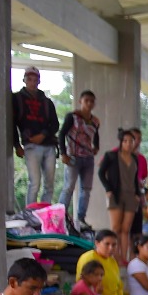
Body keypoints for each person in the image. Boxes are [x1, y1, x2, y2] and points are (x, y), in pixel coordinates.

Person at [12, 67, 60, 208]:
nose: (32, 82)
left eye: (35, 80)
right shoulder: (17, 99)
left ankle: (45, 213)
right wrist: (17, 145)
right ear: (24, 80)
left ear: (39, 81)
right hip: (31, 146)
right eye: (29, 79)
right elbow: (12, 123)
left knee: (49, 184)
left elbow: (55, 124)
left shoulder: (47, 102)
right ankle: (30, 215)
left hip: (49, 145)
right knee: (35, 183)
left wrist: (43, 135)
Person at [57, 90, 100, 233]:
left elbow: (96, 135)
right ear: (80, 101)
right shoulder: (73, 117)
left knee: (86, 189)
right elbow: (62, 133)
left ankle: (81, 218)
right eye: (86, 100)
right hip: (73, 156)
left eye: (91, 101)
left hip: (88, 158)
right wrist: (63, 153)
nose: (89, 104)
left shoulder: (95, 121)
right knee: (69, 187)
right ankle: (60, 216)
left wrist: (96, 147)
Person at [97, 128, 144, 257]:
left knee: (126, 229)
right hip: (116, 194)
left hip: (131, 195)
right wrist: (108, 189)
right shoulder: (111, 156)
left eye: (131, 141)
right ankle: (115, 256)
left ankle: (124, 257)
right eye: (126, 141)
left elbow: (135, 178)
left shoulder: (135, 158)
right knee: (116, 227)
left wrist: (137, 194)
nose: (128, 144)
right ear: (121, 142)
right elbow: (101, 173)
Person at [74, 230, 128, 295]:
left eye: (114, 245)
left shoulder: (112, 261)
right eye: (107, 244)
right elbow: (86, 286)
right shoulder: (89, 258)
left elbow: (119, 286)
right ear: (97, 243)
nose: (111, 248)